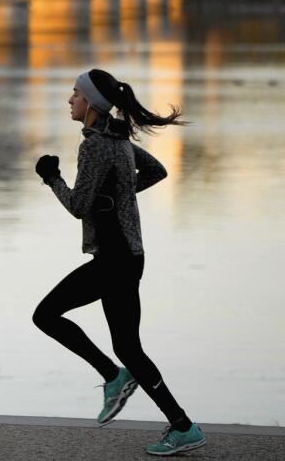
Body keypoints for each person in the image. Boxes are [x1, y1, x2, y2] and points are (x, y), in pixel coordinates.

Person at [31, 69, 207, 457]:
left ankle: (112, 377)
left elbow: (78, 206)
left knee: (45, 316)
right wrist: (119, 194)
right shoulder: (118, 138)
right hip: (129, 256)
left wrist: (52, 178)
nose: (70, 100)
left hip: (113, 260)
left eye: (75, 94)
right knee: (129, 347)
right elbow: (157, 171)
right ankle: (182, 427)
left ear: (91, 104)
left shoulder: (95, 145)